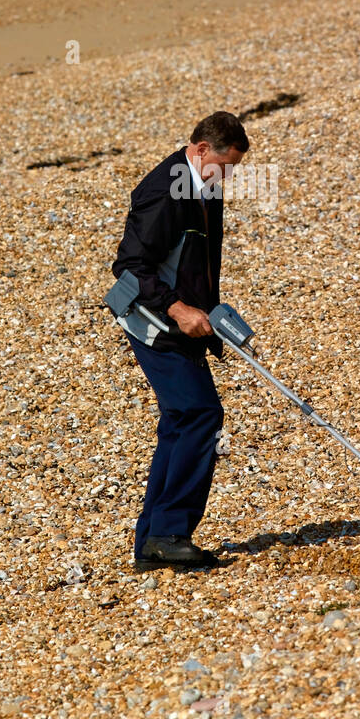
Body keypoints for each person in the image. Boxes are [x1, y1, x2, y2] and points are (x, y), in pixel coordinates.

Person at [110, 111, 249, 571]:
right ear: (200, 150)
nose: (226, 178)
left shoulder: (201, 185)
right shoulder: (163, 192)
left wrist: (211, 315)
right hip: (152, 321)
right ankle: (169, 533)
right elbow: (130, 266)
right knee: (199, 413)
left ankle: (153, 542)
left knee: (179, 420)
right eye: (224, 167)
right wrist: (179, 309)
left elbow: (195, 262)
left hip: (184, 324)